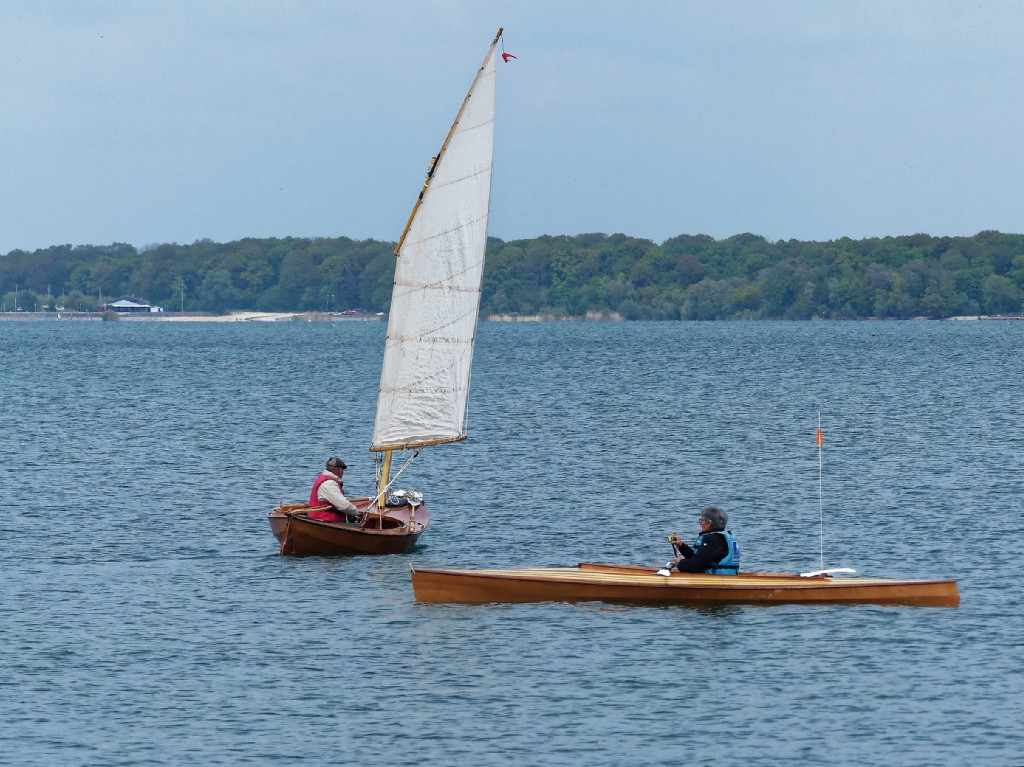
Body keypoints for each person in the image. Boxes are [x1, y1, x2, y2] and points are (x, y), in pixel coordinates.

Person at [669, 505, 740, 574]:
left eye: (702, 520)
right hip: (729, 576)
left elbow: (694, 566)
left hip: (718, 579)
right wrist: (681, 545)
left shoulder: (713, 540)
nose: (700, 523)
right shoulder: (722, 538)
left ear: (709, 524)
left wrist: (680, 563)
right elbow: (698, 558)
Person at [307, 457, 362, 523]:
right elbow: (344, 506)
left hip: (319, 519)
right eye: (343, 471)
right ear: (340, 470)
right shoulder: (329, 484)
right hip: (324, 521)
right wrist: (357, 512)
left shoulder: (324, 479)